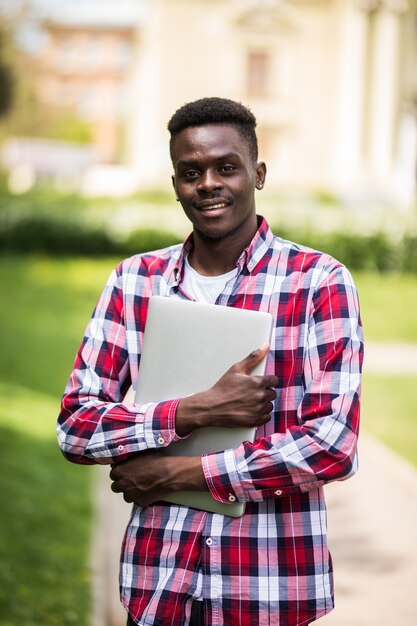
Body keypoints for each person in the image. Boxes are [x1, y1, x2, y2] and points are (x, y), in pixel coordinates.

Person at [57, 97, 363, 626]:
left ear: (258, 174)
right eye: (190, 172)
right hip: (157, 585)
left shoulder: (318, 282)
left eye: (227, 168)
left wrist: (179, 473)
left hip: (269, 589)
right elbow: (77, 427)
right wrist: (194, 411)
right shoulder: (135, 281)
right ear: (175, 182)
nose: (207, 184)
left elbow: (332, 446)